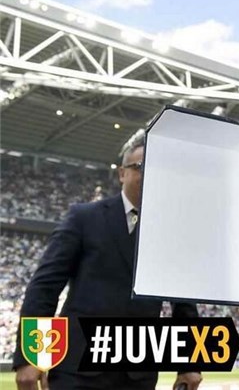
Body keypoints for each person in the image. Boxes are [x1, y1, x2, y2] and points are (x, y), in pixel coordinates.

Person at [13, 134, 203, 390]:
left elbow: (184, 304)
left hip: (138, 374)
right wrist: (33, 356)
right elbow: (45, 288)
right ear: (122, 174)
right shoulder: (84, 218)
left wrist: (190, 364)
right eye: (141, 167)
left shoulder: (170, 231)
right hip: (77, 369)